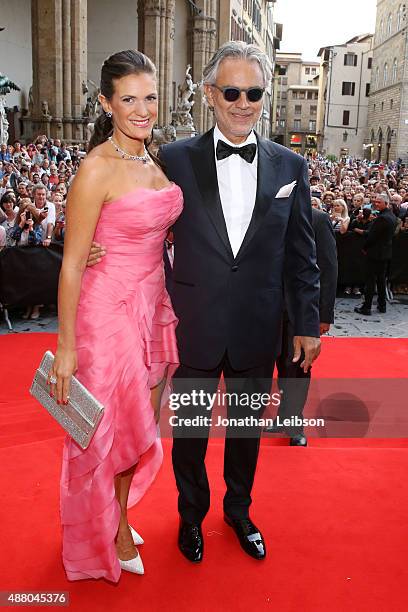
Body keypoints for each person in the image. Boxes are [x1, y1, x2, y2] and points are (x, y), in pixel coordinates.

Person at [90, 41, 320, 563]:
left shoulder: (290, 166)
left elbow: (302, 254)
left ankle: (239, 510)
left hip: (259, 327)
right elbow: (126, 204)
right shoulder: (173, 158)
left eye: (254, 92)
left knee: (246, 434)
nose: (244, 103)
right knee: (189, 436)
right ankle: (190, 516)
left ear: (265, 96)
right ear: (211, 95)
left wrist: (307, 324)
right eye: (232, 91)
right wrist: (92, 248)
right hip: (192, 324)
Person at [47, 49, 183, 582]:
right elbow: (71, 267)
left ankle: (116, 509)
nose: (142, 109)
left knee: (141, 425)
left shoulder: (156, 161)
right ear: (106, 104)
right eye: (128, 99)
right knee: (111, 428)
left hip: (154, 305)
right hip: (106, 315)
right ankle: (115, 526)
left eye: (149, 97)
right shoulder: (95, 168)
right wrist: (66, 347)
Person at [264, 205, 338, 445]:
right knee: (264, 367)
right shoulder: (266, 215)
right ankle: (279, 417)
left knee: (295, 367)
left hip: (299, 311)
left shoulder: (317, 219)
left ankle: (294, 422)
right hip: (265, 308)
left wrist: (323, 315)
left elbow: (328, 269)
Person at [355, 193, 397, 315]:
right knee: (380, 280)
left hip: (375, 253)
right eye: (375, 201)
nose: (376, 203)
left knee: (370, 281)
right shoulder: (390, 216)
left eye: (379, 202)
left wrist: (365, 247)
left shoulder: (382, 218)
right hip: (384, 253)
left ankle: (367, 307)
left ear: (386, 203)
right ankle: (382, 305)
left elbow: (372, 236)